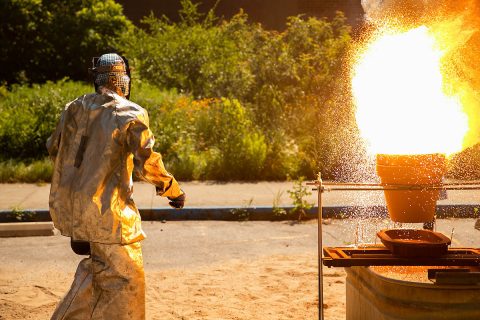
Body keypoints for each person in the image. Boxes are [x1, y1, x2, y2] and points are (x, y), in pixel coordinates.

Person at [46, 53, 185, 319]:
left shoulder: (73, 107)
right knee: (127, 278)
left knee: (96, 273)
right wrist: (172, 190)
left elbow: (54, 147)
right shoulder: (130, 112)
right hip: (109, 215)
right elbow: (148, 161)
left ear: (96, 79)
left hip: (72, 209)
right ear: (123, 80)